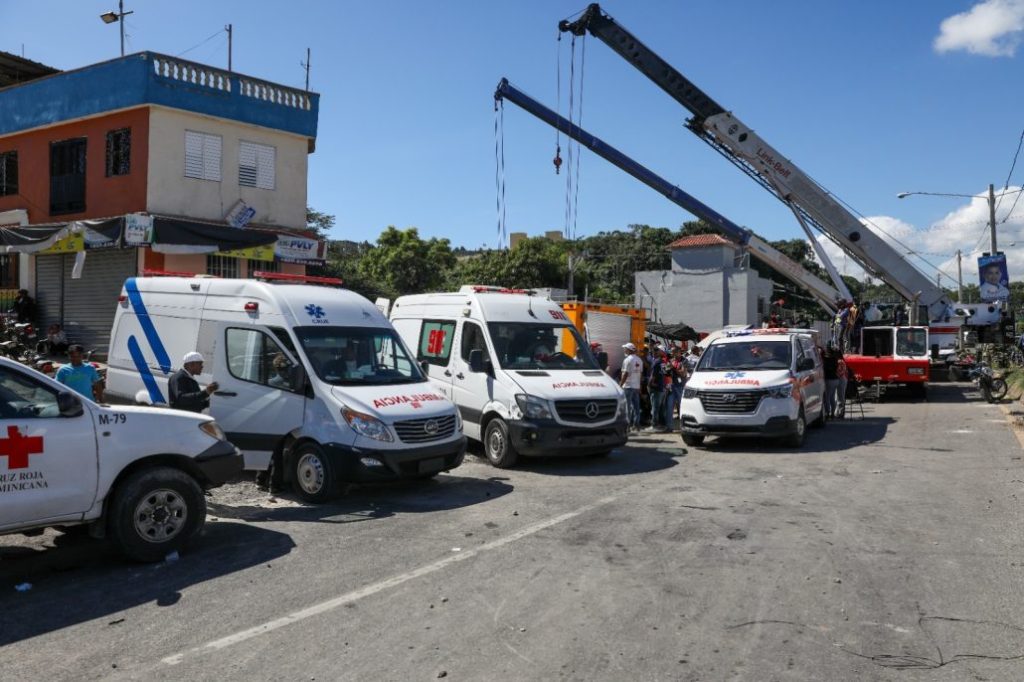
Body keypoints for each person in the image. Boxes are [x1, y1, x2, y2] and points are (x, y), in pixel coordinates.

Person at [619, 342, 642, 431]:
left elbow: (625, 373)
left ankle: (627, 426)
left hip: (628, 386)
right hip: (636, 387)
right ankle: (637, 425)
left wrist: (620, 385)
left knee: (627, 407)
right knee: (636, 407)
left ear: (629, 350)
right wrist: (639, 386)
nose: (624, 350)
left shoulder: (627, 360)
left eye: (625, 348)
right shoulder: (639, 360)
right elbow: (640, 374)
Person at [645, 346, 667, 432]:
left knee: (655, 408)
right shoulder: (662, 362)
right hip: (661, 387)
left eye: (655, 351)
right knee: (660, 408)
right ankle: (662, 425)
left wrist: (649, 385)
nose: (653, 353)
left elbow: (653, 376)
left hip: (656, 388)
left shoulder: (656, 362)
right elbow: (664, 374)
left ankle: (654, 426)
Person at [822, 343, 840, 418]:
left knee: (827, 397)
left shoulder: (825, 360)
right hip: (836, 379)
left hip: (829, 380)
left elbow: (825, 369)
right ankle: (833, 412)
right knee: (832, 397)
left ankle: (827, 413)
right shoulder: (835, 359)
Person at [835, 352, 848, 418]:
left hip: (840, 379)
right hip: (842, 379)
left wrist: (835, 375)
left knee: (840, 396)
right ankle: (840, 412)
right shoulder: (842, 361)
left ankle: (840, 412)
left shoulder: (840, 362)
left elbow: (840, 372)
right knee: (840, 396)